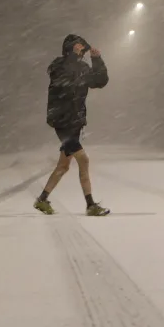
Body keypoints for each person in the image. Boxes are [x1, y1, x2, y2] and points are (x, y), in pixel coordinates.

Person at [34, 34, 110, 216]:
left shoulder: (82, 67)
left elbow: (100, 81)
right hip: (62, 122)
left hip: (75, 122)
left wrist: (97, 59)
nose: (80, 49)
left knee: (63, 166)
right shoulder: (59, 66)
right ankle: (90, 205)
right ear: (69, 48)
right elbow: (64, 82)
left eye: (82, 47)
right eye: (77, 46)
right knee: (83, 160)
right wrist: (75, 64)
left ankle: (42, 200)